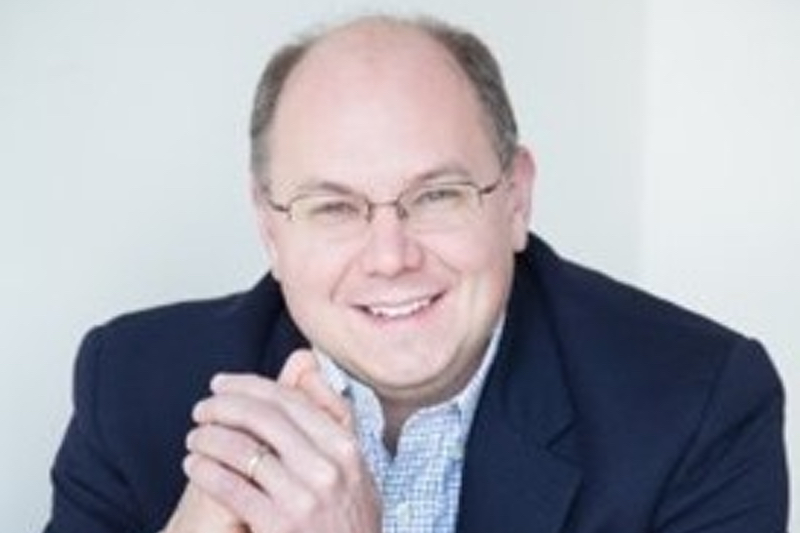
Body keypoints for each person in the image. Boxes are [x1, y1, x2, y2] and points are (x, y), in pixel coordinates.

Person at [44, 13, 788, 533]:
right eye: (333, 206)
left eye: (437, 195)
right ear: (270, 227)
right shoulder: (132, 386)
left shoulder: (696, 407)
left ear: (516, 199)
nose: (390, 255)